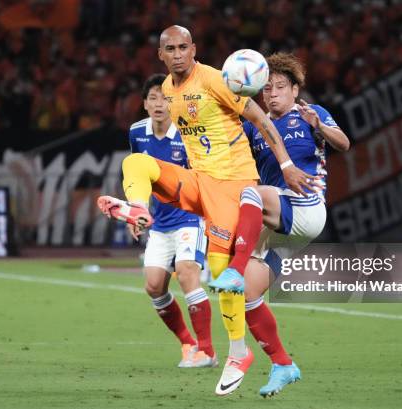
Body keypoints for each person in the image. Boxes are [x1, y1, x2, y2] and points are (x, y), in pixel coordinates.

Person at [97, 26, 317, 396]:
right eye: (171, 48)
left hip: (234, 187)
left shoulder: (218, 80)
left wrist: (285, 165)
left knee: (223, 274)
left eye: (184, 47)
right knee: (137, 163)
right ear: (161, 55)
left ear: (194, 49)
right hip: (201, 181)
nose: (179, 53)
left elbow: (261, 121)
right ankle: (137, 207)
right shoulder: (168, 90)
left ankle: (240, 353)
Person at [209, 52, 350, 396]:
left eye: (280, 87)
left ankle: (234, 266)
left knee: (251, 194)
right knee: (248, 296)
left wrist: (321, 126)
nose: (272, 94)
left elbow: (344, 144)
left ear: (295, 89)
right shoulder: (254, 127)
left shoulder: (309, 115)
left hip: (306, 208)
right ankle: (283, 364)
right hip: (280, 226)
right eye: (267, 89)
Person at [126, 73, 215, 368]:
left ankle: (207, 351)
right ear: (145, 104)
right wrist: (135, 212)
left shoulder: (188, 134)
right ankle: (188, 344)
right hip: (161, 224)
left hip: (191, 218)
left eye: (164, 97)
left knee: (187, 272)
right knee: (153, 286)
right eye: (153, 98)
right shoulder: (137, 133)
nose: (159, 103)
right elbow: (140, 176)